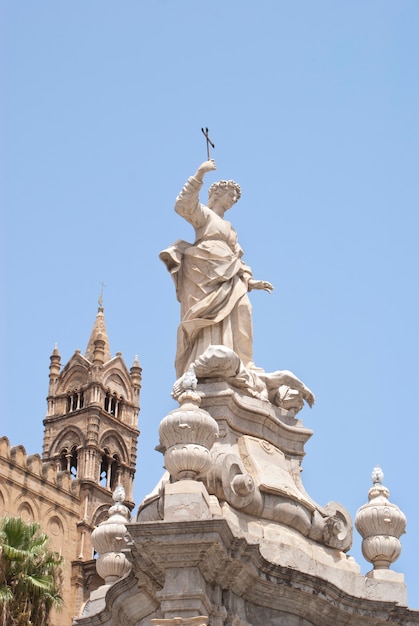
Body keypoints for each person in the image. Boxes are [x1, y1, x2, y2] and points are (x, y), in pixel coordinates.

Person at [160, 160, 273, 378]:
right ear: (218, 193)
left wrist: (251, 280)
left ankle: (244, 362)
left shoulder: (230, 229)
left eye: (235, 198)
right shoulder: (204, 215)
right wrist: (200, 173)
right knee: (207, 321)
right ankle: (206, 358)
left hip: (230, 275)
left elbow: (237, 258)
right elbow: (183, 205)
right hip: (203, 272)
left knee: (244, 310)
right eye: (230, 194)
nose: (233, 200)